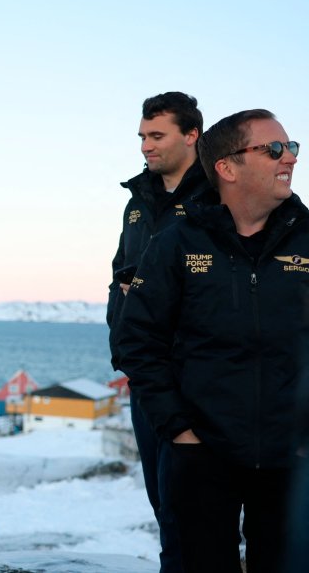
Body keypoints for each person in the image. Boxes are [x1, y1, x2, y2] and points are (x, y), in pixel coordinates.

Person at [116, 109, 304, 573]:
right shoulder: (178, 241)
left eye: (292, 148)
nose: (290, 159)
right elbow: (136, 339)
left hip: (292, 460)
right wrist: (178, 430)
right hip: (202, 456)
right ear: (227, 167)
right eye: (274, 149)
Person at [107, 91, 206, 572]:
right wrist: (122, 352)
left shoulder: (217, 197)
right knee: (162, 504)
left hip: (197, 375)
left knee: (196, 507)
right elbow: (119, 275)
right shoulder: (138, 200)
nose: (145, 146)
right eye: (142, 136)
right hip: (147, 376)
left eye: (157, 135)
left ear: (192, 136)